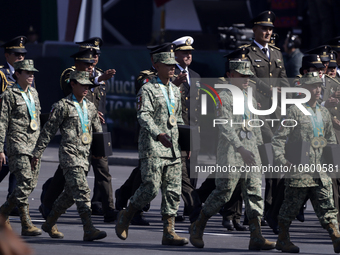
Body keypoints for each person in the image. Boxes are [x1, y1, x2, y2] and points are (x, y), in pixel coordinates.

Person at [189, 59, 275, 250]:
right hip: (231, 152)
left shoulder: (250, 98)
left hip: (251, 152)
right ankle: (198, 225)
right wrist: (240, 148)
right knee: (224, 192)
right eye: (242, 75)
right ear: (230, 75)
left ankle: (256, 236)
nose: (246, 79)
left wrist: (260, 149)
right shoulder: (223, 97)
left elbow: (255, 125)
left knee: (254, 194)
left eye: (248, 76)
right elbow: (225, 126)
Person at [115, 44, 188, 246]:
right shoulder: (147, 89)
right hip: (153, 147)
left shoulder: (175, 90)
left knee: (173, 191)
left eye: (174, 65)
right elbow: (143, 115)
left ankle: (169, 232)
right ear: (156, 65)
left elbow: (178, 119)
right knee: (150, 188)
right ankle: (127, 214)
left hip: (172, 148)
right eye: (167, 65)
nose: (172, 68)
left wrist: (187, 140)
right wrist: (158, 134)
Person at [40, 43, 117, 223]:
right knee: (64, 173)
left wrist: (94, 113)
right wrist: (97, 80)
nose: (90, 67)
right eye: (86, 64)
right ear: (77, 63)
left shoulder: (98, 75)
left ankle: (109, 209)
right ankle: (48, 201)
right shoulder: (69, 74)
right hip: (75, 131)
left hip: (95, 129)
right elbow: (70, 91)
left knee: (102, 169)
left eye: (92, 64)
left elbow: (97, 101)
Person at [31, 70, 106, 241]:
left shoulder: (91, 106)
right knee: (82, 191)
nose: (86, 88)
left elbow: (97, 132)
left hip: (85, 156)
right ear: (72, 84)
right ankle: (89, 228)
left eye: (88, 85)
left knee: (70, 195)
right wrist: (37, 152)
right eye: (82, 85)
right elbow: (48, 132)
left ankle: (49, 222)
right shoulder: (62, 106)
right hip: (69, 156)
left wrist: (100, 152)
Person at [272, 71, 340, 253]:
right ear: (304, 89)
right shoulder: (293, 111)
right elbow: (278, 139)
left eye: (318, 86)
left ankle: (336, 237)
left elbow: (331, 140)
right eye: (312, 86)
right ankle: (283, 239)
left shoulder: (324, 113)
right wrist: (283, 161)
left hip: (320, 171)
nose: (317, 90)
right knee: (290, 208)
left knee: (328, 206)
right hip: (298, 170)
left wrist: (332, 161)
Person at [242, 10, 290, 225]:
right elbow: (248, 78)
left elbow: (283, 79)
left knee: (274, 166)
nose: (268, 32)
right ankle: (253, 211)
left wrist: (288, 101)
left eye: (270, 29)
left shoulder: (277, 53)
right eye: (264, 28)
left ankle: (267, 211)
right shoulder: (247, 53)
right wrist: (270, 91)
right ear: (254, 29)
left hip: (276, 115)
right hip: (257, 113)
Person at [0, 59, 42, 236]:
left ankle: (25, 224)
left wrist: (39, 148)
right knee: (24, 182)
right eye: (27, 72)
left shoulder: (34, 93)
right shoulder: (9, 95)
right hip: (16, 144)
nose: (31, 76)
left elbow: (37, 119)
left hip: (33, 146)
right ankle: (4, 214)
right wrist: (0, 149)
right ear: (17, 74)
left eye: (33, 73)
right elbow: (2, 122)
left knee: (30, 184)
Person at [171, 36, 201, 222]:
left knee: (192, 171)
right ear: (174, 54)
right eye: (184, 52)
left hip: (193, 130)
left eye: (190, 52)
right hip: (177, 130)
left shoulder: (196, 76)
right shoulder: (169, 75)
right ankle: (178, 209)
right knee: (178, 174)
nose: (188, 55)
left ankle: (189, 209)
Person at [0, 36, 29, 217]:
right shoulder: (2, 74)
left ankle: (14, 201)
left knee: (18, 166)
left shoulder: (27, 74)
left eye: (22, 54)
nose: (20, 57)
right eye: (16, 54)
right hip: (5, 127)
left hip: (21, 129)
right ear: (7, 55)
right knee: (4, 164)